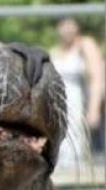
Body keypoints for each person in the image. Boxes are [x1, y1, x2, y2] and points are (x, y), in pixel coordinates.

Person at [50, 18, 105, 166]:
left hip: (79, 103)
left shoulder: (85, 45)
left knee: (78, 148)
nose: (67, 29)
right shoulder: (55, 50)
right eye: (64, 25)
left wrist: (94, 110)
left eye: (71, 25)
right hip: (58, 106)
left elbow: (97, 78)